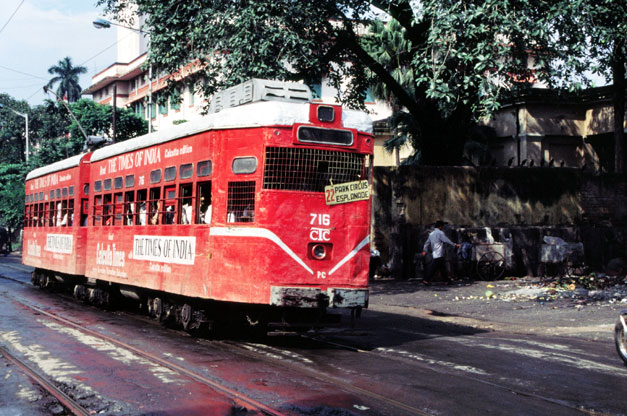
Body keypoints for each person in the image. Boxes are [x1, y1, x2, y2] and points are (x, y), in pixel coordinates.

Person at [421, 220, 460, 284]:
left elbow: (426, 243)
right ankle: (426, 279)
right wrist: (455, 244)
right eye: (442, 226)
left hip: (435, 253)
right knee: (434, 268)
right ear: (440, 226)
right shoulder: (440, 233)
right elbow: (446, 240)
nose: (443, 228)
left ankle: (446, 280)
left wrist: (425, 250)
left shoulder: (431, 234)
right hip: (439, 253)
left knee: (442, 267)